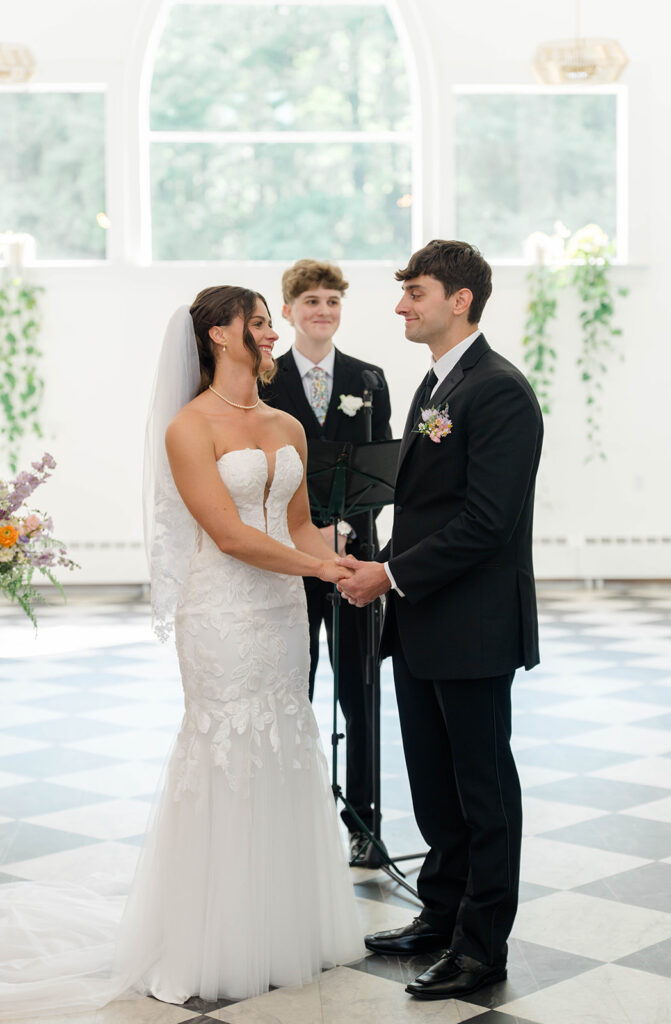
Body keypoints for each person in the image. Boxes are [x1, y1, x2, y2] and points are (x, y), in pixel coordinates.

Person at [0, 286, 364, 1019]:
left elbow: (298, 523)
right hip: (221, 610)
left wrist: (347, 562)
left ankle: (284, 927)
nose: (271, 333)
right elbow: (227, 536)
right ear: (218, 335)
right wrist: (320, 570)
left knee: (285, 739)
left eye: (268, 323)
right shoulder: (188, 427)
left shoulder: (287, 423)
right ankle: (214, 938)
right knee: (228, 746)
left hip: (282, 611)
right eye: (257, 323)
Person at [337, 240, 543, 1001]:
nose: (401, 306)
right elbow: (429, 509)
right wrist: (378, 563)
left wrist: (389, 574)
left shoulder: (499, 391)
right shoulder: (437, 384)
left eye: (414, 293)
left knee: (482, 791)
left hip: (474, 625)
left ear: (460, 300)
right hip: (424, 618)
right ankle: (443, 913)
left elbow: (487, 522)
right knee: (433, 783)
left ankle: (481, 947)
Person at [260, 260, 391, 863]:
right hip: (288, 560)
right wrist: (308, 534)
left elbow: (384, 469)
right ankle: (294, 820)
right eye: (311, 301)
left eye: (332, 301)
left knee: (360, 692)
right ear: (288, 311)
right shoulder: (265, 380)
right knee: (295, 686)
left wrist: (346, 532)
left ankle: (364, 821)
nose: (323, 311)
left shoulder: (369, 379)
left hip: (355, 560)